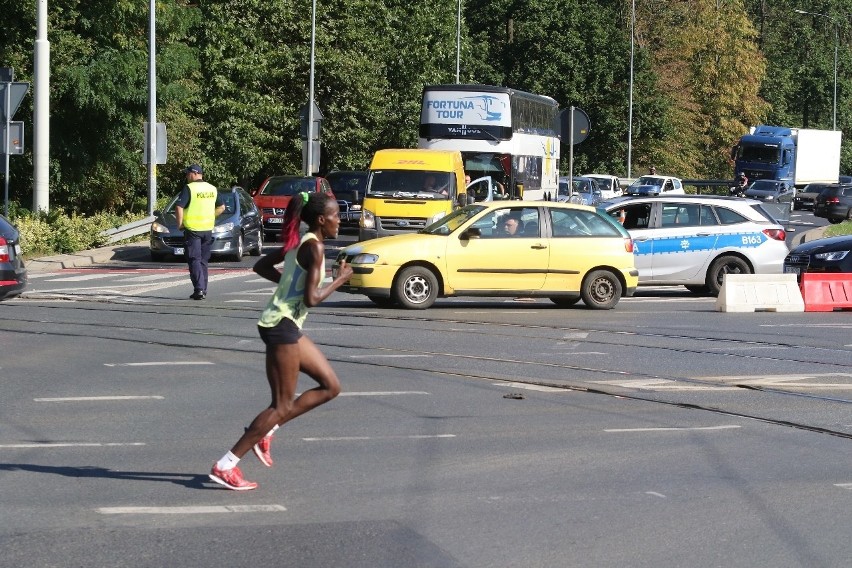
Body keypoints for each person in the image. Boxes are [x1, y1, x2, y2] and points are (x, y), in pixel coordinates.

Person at [208, 192, 353, 491]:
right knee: (281, 405)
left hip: (282, 324)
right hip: (281, 327)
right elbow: (312, 299)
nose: (341, 220)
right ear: (321, 220)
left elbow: (260, 267)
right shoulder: (314, 248)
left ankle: (268, 431)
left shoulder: (300, 242)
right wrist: (339, 280)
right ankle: (227, 464)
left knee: (331, 386)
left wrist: (289, 284)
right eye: (336, 215)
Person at [175, 164, 225, 300]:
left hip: (192, 229)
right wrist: (210, 216)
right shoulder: (212, 188)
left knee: (194, 259)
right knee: (203, 260)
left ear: (194, 174)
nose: (186, 176)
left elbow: (179, 207)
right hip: (207, 229)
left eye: (187, 174)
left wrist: (180, 224)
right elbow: (222, 207)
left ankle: (199, 289)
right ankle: (204, 288)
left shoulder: (189, 188)